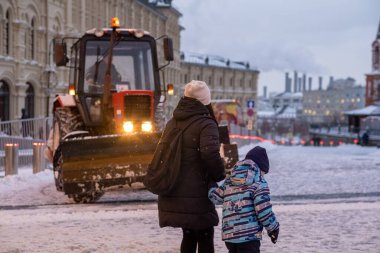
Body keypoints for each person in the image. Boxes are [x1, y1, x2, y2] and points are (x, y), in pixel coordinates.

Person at [158, 80, 226, 253]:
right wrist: (220, 174)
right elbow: (210, 154)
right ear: (205, 101)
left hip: (176, 187)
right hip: (197, 191)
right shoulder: (206, 123)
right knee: (204, 234)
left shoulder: (173, 122)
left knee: (188, 234)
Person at [208, 146, 280, 253]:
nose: (263, 175)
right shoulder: (259, 182)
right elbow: (263, 210)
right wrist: (273, 228)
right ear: (260, 168)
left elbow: (216, 197)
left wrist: (210, 187)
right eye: (264, 172)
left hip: (230, 236)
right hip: (248, 236)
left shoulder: (231, 179)